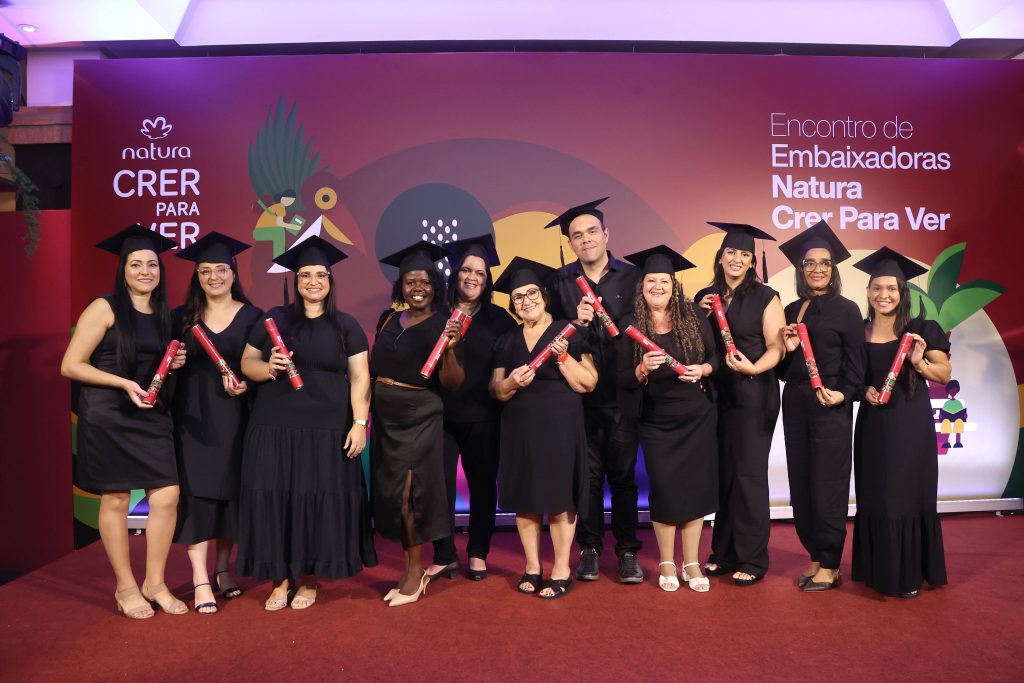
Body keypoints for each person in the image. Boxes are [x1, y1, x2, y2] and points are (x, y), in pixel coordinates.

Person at [237, 236, 377, 611]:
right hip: (274, 427)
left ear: (330, 280)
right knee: (277, 500)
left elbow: (360, 376)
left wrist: (359, 423)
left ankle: (311, 577)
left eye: (320, 275)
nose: (313, 281)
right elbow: (247, 364)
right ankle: (280, 579)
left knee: (318, 501)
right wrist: (269, 368)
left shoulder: (346, 325)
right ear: (295, 280)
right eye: (305, 275)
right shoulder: (274, 319)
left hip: (327, 431)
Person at [60, 224, 188, 619]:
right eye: (136, 264)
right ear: (123, 269)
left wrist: (172, 366)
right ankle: (126, 587)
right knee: (115, 499)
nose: (145, 271)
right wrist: (123, 383)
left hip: (149, 414)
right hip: (109, 414)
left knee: (166, 495)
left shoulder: (163, 314)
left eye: (152, 264)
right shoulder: (105, 307)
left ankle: (155, 583)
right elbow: (71, 365)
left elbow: (152, 365)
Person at [544, 198, 644, 584]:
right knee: (586, 477)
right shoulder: (559, 282)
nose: (585, 239)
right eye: (577, 235)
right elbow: (549, 333)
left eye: (591, 232)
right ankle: (589, 547)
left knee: (623, 477)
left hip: (622, 391)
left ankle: (627, 550)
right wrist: (576, 323)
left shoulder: (633, 278)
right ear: (570, 243)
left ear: (606, 234)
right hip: (578, 394)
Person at [491, 257, 598, 598]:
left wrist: (563, 358)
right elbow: (496, 390)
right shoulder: (507, 340)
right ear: (513, 304)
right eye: (518, 297)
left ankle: (562, 568)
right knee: (526, 498)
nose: (526, 301)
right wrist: (511, 382)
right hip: (520, 428)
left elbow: (589, 382)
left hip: (561, 427)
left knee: (560, 497)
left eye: (532, 293)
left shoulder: (569, 331)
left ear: (544, 296)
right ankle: (533, 566)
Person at [616, 245, 719, 593]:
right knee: (665, 489)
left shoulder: (693, 315)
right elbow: (618, 377)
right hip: (656, 421)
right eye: (651, 281)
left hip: (697, 417)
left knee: (695, 489)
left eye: (664, 280)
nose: (657, 286)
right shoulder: (629, 323)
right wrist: (641, 369)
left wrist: (703, 369)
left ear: (674, 285)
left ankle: (691, 561)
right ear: (641, 286)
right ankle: (666, 561)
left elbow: (716, 358)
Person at [851, 247, 951, 599]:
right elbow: (853, 377)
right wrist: (863, 390)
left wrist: (919, 361)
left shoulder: (921, 329)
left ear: (902, 292)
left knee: (902, 496)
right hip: (872, 424)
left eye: (891, 288)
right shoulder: (858, 331)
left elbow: (943, 374)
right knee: (874, 494)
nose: (884, 295)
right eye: (877, 288)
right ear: (868, 291)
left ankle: (906, 573)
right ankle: (875, 569)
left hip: (909, 424)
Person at [171, 232, 263, 613]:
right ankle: (199, 578)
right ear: (197, 276)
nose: (214, 277)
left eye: (221, 269)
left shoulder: (253, 316)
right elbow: (164, 365)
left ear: (233, 273)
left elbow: (259, 367)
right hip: (192, 418)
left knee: (229, 493)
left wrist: (247, 386)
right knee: (197, 496)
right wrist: (173, 364)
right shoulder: (181, 318)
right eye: (206, 270)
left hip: (235, 416)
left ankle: (223, 568)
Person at [371, 241, 465, 606]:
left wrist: (451, 350)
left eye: (425, 281)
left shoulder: (446, 325)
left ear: (435, 286)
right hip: (386, 419)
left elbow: (453, 384)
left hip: (420, 416)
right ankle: (408, 569)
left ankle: (415, 573)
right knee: (393, 495)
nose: (418, 288)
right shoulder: (388, 319)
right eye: (410, 282)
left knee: (410, 495)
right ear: (401, 286)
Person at [776, 221, 865, 592]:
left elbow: (857, 368)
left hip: (831, 404)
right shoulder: (792, 309)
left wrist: (843, 395)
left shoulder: (848, 310)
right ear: (801, 269)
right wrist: (787, 350)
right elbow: (782, 370)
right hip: (796, 402)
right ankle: (815, 555)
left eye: (824, 263)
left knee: (828, 484)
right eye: (809, 263)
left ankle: (830, 563)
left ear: (834, 268)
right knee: (801, 482)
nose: (817, 269)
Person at [696, 222, 785, 586]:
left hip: (753, 391)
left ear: (752, 261)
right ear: (720, 257)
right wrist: (696, 313)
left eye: (744, 254)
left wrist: (755, 367)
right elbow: (694, 343)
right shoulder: (705, 296)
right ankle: (723, 552)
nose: (736, 259)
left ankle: (752, 557)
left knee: (748, 475)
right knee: (723, 475)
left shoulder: (766, 297)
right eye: (730, 252)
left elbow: (777, 346)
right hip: (716, 395)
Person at [427, 235, 517, 582]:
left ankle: (478, 551)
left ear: (487, 278)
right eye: (466, 270)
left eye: (480, 272)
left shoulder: (499, 320)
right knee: (440, 488)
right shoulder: (436, 314)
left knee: (482, 486)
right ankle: (444, 553)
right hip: (440, 416)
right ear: (455, 273)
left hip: (484, 417)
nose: (472, 277)